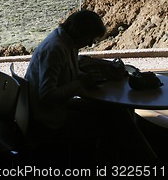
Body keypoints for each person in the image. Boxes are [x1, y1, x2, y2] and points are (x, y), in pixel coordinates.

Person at [24, 9, 157, 163]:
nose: (89, 43)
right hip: (49, 117)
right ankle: (138, 160)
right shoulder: (56, 49)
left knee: (116, 111)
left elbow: (68, 72)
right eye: (89, 38)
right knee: (112, 121)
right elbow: (46, 95)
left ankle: (139, 157)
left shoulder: (66, 42)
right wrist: (80, 83)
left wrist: (85, 77)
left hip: (55, 107)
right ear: (79, 31)